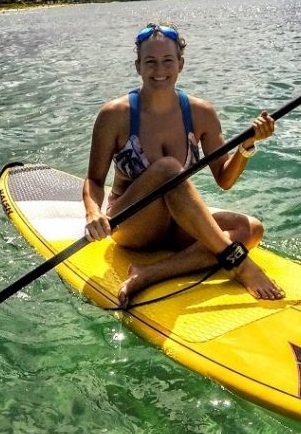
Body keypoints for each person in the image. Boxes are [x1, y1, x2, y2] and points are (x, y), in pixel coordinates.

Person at [83, 22, 285, 308]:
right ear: (138, 66)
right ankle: (239, 265)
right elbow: (93, 180)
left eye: (167, 61)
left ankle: (149, 274)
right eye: (150, 62)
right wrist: (93, 213)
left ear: (180, 64)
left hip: (176, 223)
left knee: (250, 229)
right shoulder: (115, 115)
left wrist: (247, 146)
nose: (159, 70)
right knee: (167, 168)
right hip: (132, 225)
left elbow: (224, 180)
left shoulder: (201, 113)